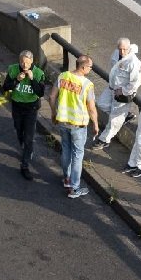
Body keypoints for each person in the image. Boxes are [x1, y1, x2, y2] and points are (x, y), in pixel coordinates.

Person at [47, 55, 99, 199]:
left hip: (63, 122)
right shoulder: (87, 85)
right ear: (83, 67)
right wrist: (95, 124)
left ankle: (66, 179)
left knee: (66, 150)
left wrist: (53, 113)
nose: (90, 69)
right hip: (78, 125)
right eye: (90, 67)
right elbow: (92, 108)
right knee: (77, 156)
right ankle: (74, 188)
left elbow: (51, 97)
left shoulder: (62, 76)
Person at [89, 38, 141, 150]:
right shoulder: (116, 53)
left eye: (124, 49)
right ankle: (124, 115)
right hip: (112, 88)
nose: (122, 52)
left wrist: (123, 91)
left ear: (129, 48)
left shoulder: (133, 62)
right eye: (120, 49)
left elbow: (135, 82)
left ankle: (104, 140)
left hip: (122, 93)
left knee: (114, 119)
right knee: (102, 104)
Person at [3, 50, 47, 181]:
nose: (24, 65)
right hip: (17, 106)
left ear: (32, 61)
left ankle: (25, 165)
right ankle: (24, 145)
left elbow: (40, 93)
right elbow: (5, 87)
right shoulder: (13, 69)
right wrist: (17, 80)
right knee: (18, 130)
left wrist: (32, 79)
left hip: (31, 108)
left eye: (27, 62)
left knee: (29, 137)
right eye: (21, 61)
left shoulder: (39, 73)